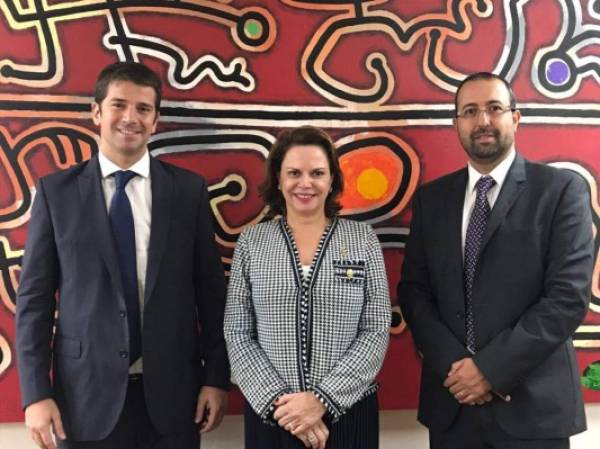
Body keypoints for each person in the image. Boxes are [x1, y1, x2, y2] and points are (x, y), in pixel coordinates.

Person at [16, 61, 230, 449]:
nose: (130, 118)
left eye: (143, 108)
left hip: (174, 398)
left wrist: (215, 378)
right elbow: (33, 302)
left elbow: (212, 296)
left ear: (155, 120)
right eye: (118, 105)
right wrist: (35, 393)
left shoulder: (188, 192)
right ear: (96, 112)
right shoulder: (55, 194)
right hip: (82, 401)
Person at [398, 71, 594, 449]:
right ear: (456, 124)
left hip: (534, 410)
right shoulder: (432, 200)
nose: (482, 120)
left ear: (515, 117)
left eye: (494, 108)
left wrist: (489, 370)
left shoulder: (560, 191)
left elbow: (567, 297)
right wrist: (460, 368)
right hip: (452, 404)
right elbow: (414, 292)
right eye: (469, 111)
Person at [224, 125, 391, 449]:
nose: (305, 183)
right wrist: (282, 405)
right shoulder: (252, 243)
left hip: (348, 412)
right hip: (273, 415)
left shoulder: (362, 240)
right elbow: (237, 331)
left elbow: (375, 329)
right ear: (278, 179)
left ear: (332, 180)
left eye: (317, 172)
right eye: (294, 173)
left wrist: (321, 400)